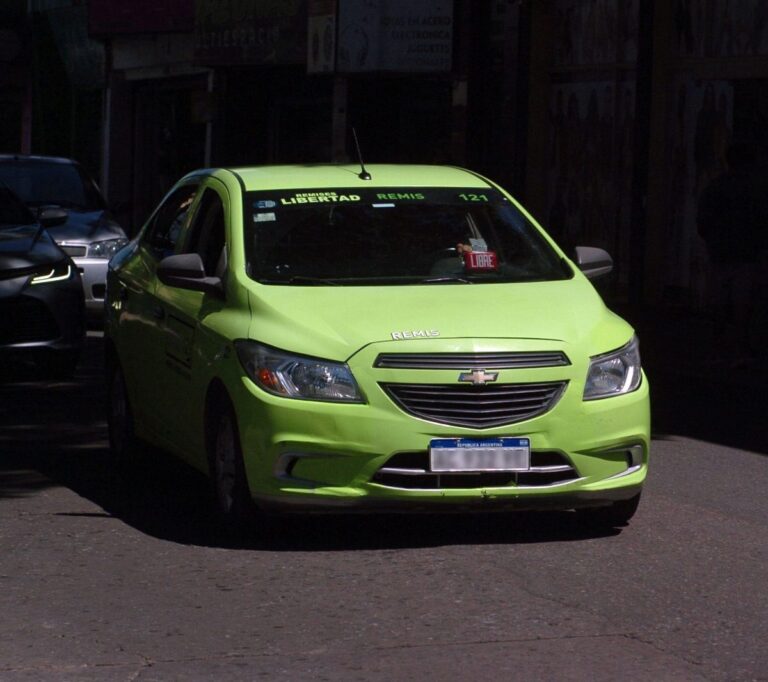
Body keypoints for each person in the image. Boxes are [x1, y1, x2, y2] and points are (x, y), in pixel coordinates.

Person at [697, 141, 768, 364]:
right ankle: (740, 348)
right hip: (745, 254)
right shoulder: (755, 190)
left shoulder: (716, 187)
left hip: (720, 253)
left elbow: (703, 222)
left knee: (719, 302)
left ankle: (717, 346)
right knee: (742, 306)